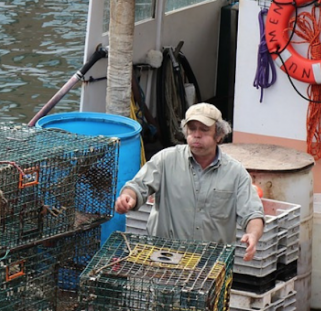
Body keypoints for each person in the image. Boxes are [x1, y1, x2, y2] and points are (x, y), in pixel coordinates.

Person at [114, 102, 265, 260]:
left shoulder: (235, 173)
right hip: (165, 258)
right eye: (192, 129)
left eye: (204, 130)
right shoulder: (166, 160)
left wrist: (253, 235)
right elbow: (137, 187)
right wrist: (128, 197)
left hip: (211, 264)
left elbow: (253, 213)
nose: (197, 135)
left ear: (219, 135)